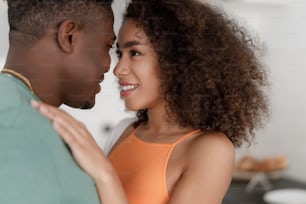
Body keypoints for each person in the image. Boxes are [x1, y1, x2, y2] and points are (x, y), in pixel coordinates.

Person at [32, 0, 270, 203]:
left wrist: (104, 174)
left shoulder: (210, 149)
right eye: (119, 54)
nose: (119, 70)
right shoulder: (123, 131)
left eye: (134, 53)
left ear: (178, 61)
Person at [0, 0, 115, 203]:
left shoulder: (26, 115)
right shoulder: (12, 125)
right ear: (68, 36)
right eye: (107, 46)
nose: (109, 66)